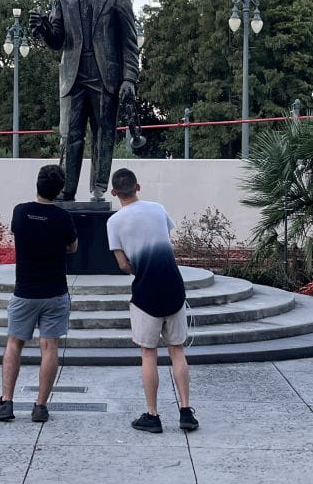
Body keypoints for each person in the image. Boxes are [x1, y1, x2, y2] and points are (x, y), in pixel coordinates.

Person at [30, 0, 140, 202]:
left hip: (105, 77)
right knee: (71, 135)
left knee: (103, 134)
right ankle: (67, 189)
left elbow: (129, 42)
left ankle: (99, 188)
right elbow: (58, 42)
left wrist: (129, 78)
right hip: (74, 77)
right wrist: (44, 29)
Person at [106, 168, 199, 433]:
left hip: (145, 290)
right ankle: (186, 411)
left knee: (148, 353)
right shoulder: (158, 209)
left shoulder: (114, 222)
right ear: (138, 187)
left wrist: (135, 267)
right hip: (173, 286)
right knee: (177, 350)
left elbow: (122, 264)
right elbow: (168, 240)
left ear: (113, 192)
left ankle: (153, 415)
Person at [0, 165, 78, 423]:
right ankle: (40, 406)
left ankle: (6, 402)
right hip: (55, 291)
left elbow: (17, 233)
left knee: (14, 343)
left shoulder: (21, 211)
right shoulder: (63, 217)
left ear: (37, 184)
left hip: (25, 291)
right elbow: (72, 247)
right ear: (60, 190)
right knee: (50, 346)